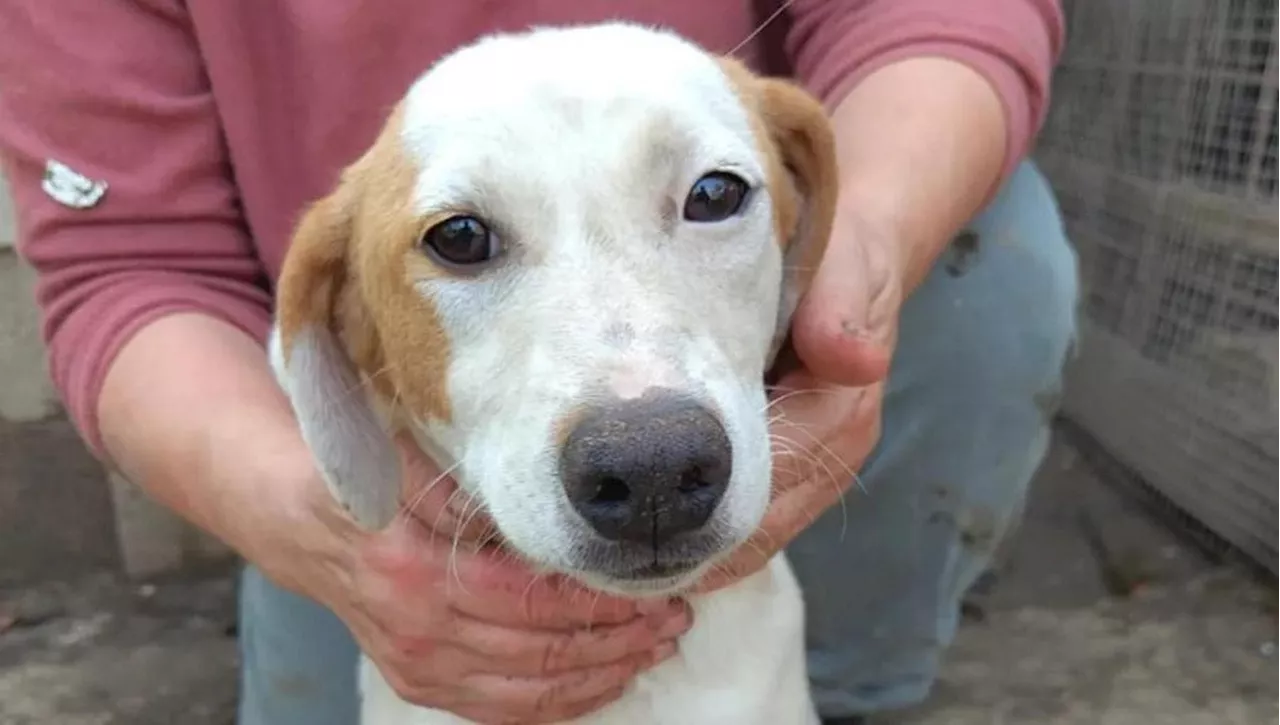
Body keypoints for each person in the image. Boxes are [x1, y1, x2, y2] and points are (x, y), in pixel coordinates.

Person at [0, 1, 1076, 723]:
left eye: (711, 197)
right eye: (462, 239)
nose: (645, 435)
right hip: (395, 478)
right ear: (339, 328)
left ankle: (863, 686)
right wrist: (322, 529)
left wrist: (865, 261)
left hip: (749, 628)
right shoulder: (327, 297)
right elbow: (127, 266)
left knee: (1004, 268)